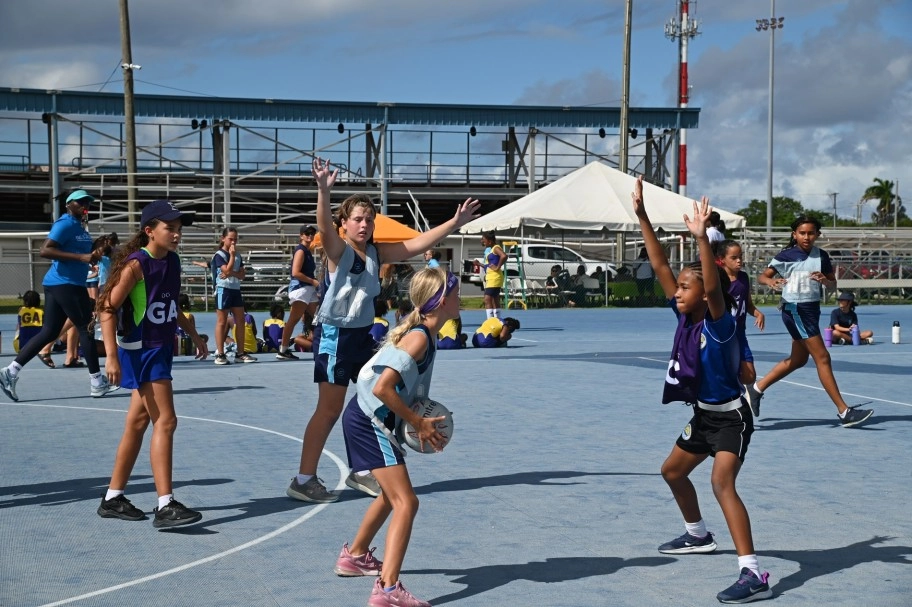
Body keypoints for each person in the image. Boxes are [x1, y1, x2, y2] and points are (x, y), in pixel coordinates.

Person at [285, 157, 479, 504]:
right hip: (335, 336)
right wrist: (323, 191)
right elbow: (324, 229)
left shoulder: (376, 252)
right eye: (357, 219)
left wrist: (456, 221)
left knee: (370, 399)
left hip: (361, 336)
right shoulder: (338, 251)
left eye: (369, 219)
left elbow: (419, 244)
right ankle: (304, 478)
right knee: (329, 409)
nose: (364, 224)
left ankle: (361, 469)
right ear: (344, 223)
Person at [632, 176, 772, 604]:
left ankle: (753, 573)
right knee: (672, 472)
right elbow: (659, 265)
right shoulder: (686, 320)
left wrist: (702, 243)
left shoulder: (721, 322)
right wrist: (642, 217)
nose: (677, 291)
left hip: (732, 416)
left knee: (721, 483)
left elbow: (712, 286)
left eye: (684, 287)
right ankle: (698, 535)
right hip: (705, 415)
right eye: (678, 287)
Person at [335, 268, 459, 607]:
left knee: (393, 496)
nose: (461, 298)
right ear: (444, 300)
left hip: (367, 417)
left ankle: (355, 556)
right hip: (368, 420)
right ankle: (387, 590)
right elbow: (382, 387)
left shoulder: (426, 335)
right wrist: (418, 422)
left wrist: (417, 416)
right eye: (457, 293)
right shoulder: (418, 337)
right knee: (407, 502)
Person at [95, 199, 209, 528]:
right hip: (142, 350)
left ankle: (113, 497)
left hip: (160, 348)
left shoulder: (172, 262)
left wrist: (194, 334)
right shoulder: (135, 265)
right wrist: (112, 357)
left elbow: (170, 304)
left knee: (137, 423)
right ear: (150, 231)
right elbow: (106, 307)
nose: (176, 234)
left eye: (178, 229)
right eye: (169, 228)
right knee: (167, 421)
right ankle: (165, 504)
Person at [744, 215, 874, 427]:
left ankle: (756, 389)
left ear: (817, 235)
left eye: (811, 233)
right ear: (794, 235)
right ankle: (844, 412)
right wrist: (771, 280)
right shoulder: (786, 255)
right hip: (795, 310)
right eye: (802, 233)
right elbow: (762, 276)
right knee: (822, 357)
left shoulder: (822, 256)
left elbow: (832, 285)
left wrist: (826, 281)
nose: (806, 237)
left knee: (798, 360)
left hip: (811, 310)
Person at [0, 190, 119, 402]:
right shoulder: (64, 224)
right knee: (86, 328)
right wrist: (80, 257)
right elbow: (45, 251)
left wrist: (95, 251)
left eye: (87, 202)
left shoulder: (78, 226)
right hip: (66, 284)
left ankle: (10, 371)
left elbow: (80, 252)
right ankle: (97, 382)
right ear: (69, 204)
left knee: (49, 332)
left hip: (61, 284)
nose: (85, 205)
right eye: (81, 202)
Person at [715, 240, 766, 386]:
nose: (739, 261)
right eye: (734, 258)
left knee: (749, 375)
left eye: (740, 256)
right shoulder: (717, 281)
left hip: (739, 334)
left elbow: (748, 304)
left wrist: (758, 313)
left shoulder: (743, 278)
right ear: (722, 259)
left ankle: (742, 393)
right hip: (721, 335)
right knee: (721, 372)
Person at [277, 225, 320, 361]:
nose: (310, 235)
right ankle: (283, 350)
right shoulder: (301, 251)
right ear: (301, 235)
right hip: (301, 288)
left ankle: (323, 347)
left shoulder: (307, 250)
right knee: (293, 320)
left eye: (312, 233)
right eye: (307, 233)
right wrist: (312, 281)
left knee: (319, 318)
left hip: (308, 288)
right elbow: (295, 273)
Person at [475, 232, 507, 319]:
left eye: (484, 240)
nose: (482, 241)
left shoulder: (496, 248)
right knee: (494, 298)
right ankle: (497, 319)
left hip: (494, 277)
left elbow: (504, 256)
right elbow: (489, 265)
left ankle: (490, 321)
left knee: (487, 299)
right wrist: (479, 264)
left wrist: (497, 267)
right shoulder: (491, 248)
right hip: (491, 277)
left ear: (490, 241)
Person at [14, 291, 44, 355]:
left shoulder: (21, 310)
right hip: (39, 346)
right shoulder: (41, 312)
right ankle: (58, 344)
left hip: (22, 346)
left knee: (19, 325)